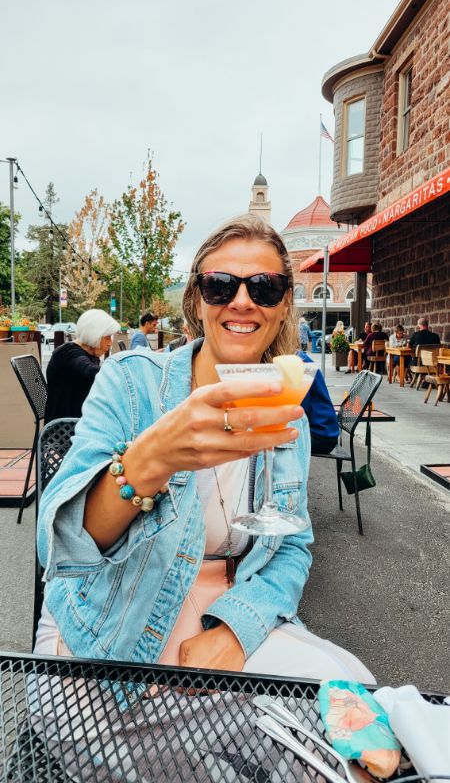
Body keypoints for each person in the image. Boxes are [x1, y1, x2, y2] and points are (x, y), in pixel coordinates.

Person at [35, 215, 374, 769]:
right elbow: (60, 547)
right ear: (197, 299)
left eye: (263, 287)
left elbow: (291, 547)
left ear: (284, 305)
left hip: (225, 629)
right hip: (108, 634)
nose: (242, 301)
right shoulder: (129, 380)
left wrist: (235, 630)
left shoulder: (285, 409)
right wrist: (153, 457)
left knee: (356, 709)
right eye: (221, 285)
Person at [44, 309, 120, 424]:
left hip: (79, 421)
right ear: (95, 335)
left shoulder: (88, 353)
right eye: (107, 337)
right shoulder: (68, 353)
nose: (110, 343)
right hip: (65, 428)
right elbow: (90, 371)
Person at [296, 351, 339, 454]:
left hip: (321, 436)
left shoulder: (299, 363)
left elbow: (299, 412)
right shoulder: (299, 357)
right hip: (324, 430)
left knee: (270, 441)